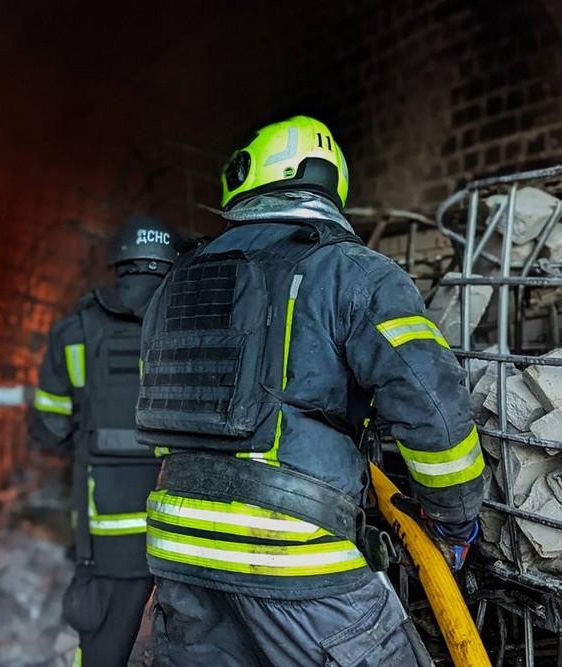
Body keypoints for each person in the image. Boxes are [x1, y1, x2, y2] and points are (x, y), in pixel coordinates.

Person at [136, 115, 484, 666]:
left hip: (178, 555)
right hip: (293, 559)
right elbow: (433, 410)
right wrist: (455, 516)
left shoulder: (177, 282)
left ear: (246, 182)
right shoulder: (354, 273)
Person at [30, 216, 181, 667]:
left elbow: (48, 429)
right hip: (189, 531)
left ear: (119, 262)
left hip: (106, 540)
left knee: (102, 650)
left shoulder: (74, 333)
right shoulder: (199, 325)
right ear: (170, 265)